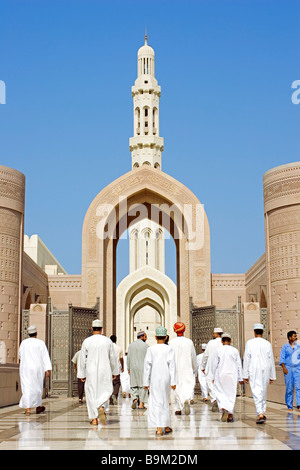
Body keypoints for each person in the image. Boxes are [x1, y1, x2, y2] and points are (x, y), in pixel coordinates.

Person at [77, 319, 119, 425]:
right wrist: (115, 372)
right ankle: (102, 407)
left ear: (92, 328)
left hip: (90, 370)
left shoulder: (87, 341)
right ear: (102, 329)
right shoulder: (107, 341)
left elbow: (82, 359)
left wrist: (81, 374)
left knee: (91, 392)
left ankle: (94, 419)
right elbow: (113, 358)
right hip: (105, 370)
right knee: (104, 390)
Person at [143, 326, 177, 436]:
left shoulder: (151, 349)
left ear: (155, 337)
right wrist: (173, 381)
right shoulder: (169, 349)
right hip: (166, 378)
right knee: (165, 400)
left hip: (154, 378)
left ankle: (159, 428)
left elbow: (147, 367)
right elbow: (172, 366)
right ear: (166, 337)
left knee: (155, 401)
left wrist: (145, 382)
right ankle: (165, 426)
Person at [243, 323, 276, 424]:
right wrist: (272, 375)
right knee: (263, 390)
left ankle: (260, 413)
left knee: (257, 391)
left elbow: (247, 359)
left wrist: (245, 374)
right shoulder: (267, 343)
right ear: (262, 332)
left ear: (254, 332)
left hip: (254, 368)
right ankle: (261, 411)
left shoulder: (249, 343)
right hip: (265, 368)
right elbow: (271, 360)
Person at [18, 325, 52, 416]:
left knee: (26, 387)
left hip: (26, 368)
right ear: (36, 333)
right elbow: (45, 356)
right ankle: (38, 407)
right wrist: (47, 369)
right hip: (37, 368)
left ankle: (28, 409)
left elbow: (20, 355)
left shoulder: (24, 343)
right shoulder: (40, 343)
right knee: (38, 387)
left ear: (28, 334)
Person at [212, 333, 243, 422]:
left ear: (221, 341)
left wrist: (213, 376)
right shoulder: (235, 350)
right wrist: (240, 378)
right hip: (232, 375)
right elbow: (238, 365)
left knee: (220, 393)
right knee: (231, 394)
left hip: (220, 375)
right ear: (230, 341)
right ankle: (230, 415)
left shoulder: (218, 350)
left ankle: (224, 409)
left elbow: (214, 364)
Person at [169, 322, 197, 415]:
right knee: (187, 386)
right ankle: (186, 400)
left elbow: (169, 358)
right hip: (187, 368)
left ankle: (178, 408)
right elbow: (193, 356)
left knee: (177, 388)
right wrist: (194, 367)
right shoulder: (189, 342)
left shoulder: (171, 342)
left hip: (175, 369)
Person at [201, 327, 223, 411]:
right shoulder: (223, 342)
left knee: (211, 384)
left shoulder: (211, 343)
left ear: (216, 334)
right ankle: (220, 401)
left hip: (211, 367)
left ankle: (214, 400)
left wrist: (203, 367)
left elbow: (205, 356)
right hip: (221, 367)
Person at [127, 330, 148, 409]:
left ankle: (135, 398)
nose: (146, 338)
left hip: (133, 367)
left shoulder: (131, 345)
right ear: (141, 337)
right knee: (142, 385)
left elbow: (128, 358)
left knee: (133, 385)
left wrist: (128, 368)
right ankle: (141, 404)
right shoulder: (145, 346)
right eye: (145, 336)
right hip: (143, 368)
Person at [279, 330, 300, 412]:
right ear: (290, 338)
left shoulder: (298, 347)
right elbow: (282, 359)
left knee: (298, 387)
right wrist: (284, 368)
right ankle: (289, 405)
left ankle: (299, 405)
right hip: (288, 369)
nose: (296, 337)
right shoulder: (285, 347)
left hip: (297, 369)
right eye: (294, 336)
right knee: (289, 388)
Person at [110, 335, 124, 405]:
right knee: (117, 383)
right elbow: (121, 358)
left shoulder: (108, 348)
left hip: (109, 368)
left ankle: (110, 399)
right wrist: (122, 367)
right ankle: (114, 395)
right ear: (116, 340)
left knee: (110, 383)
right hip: (117, 368)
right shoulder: (119, 348)